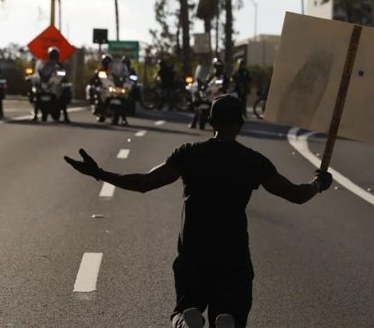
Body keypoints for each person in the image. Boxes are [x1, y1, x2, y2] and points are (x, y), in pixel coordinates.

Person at [64, 95, 333, 328]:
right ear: (240, 124)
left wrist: (99, 173)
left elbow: (144, 183)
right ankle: (226, 319)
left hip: (194, 250)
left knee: (185, 308)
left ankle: (187, 318)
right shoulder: (254, 161)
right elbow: (296, 196)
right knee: (231, 314)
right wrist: (318, 183)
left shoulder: (190, 153)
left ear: (211, 122)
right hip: (234, 253)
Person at [31, 46, 71, 123]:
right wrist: (36, 75)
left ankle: (66, 116)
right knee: (36, 93)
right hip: (46, 82)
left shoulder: (60, 64)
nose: (53, 56)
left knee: (63, 94)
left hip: (55, 83)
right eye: (52, 55)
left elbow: (63, 73)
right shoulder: (44, 63)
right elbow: (39, 71)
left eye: (54, 55)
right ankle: (35, 115)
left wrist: (62, 76)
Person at [190, 58, 227, 130]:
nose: (218, 68)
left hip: (217, 94)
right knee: (198, 105)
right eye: (216, 66)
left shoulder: (222, 76)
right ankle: (194, 123)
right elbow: (207, 82)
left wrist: (221, 89)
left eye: (219, 66)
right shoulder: (211, 75)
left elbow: (223, 85)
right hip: (210, 94)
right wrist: (202, 85)